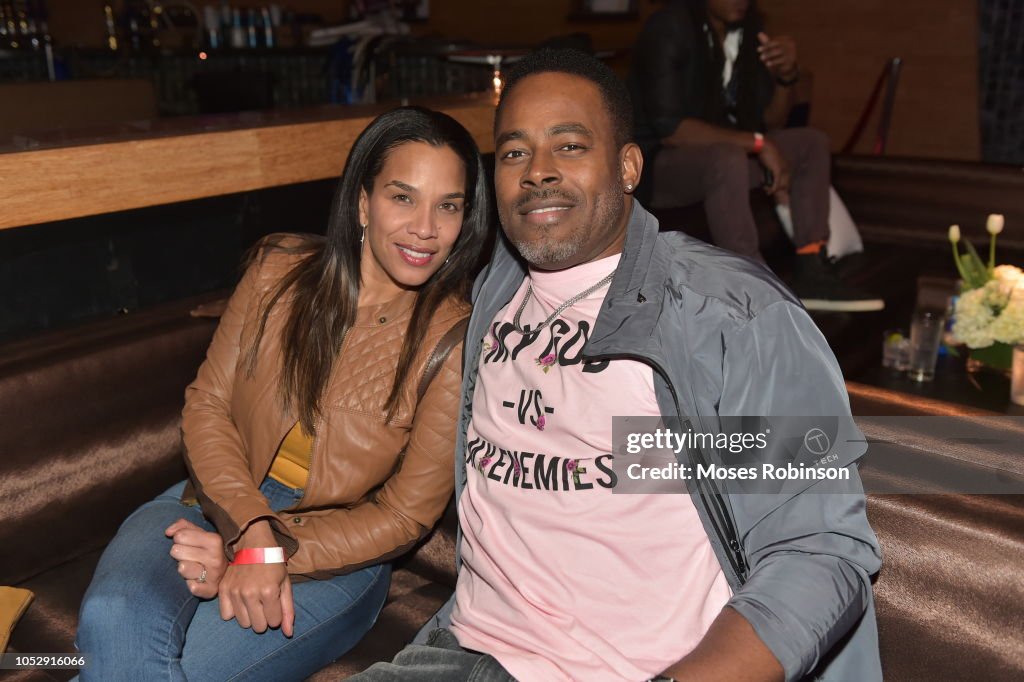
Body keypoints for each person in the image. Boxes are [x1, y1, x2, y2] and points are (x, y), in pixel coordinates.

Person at [351, 49, 882, 681]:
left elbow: (819, 552)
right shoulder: (494, 288)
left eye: (570, 146)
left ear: (628, 166)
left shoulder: (732, 318)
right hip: (462, 649)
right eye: (515, 152)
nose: (537, 171)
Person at [74, 106, 490, 682]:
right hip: (212, 501)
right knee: (112, 618)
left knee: (176, 670)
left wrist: (262, 551)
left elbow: (404, 515)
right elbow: (208, 405)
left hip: (337, 554)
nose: (426, 227)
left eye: (448, 206)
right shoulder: (277, 270)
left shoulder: (454, 338)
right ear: (363, 203)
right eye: (403, 197)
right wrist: (248, 533)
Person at [629, 0, 883, 312]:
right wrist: (759, 144)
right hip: (656, 167)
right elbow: (672, 130)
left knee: (811, 142)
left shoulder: (749, 33)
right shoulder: (669, 27)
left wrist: (786, 76)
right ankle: (752, 284)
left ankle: (812, 267)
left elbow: (771, 122)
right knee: (728, 157)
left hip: (725, 158)